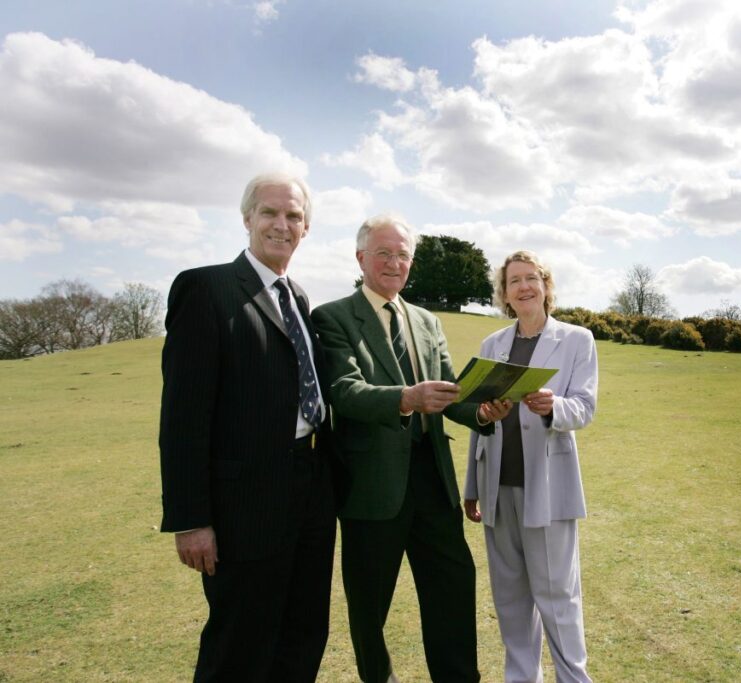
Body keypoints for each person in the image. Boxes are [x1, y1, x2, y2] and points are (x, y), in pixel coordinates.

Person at [311, 214, 505, 683]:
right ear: (361, 259)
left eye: (402, 255)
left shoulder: (426, 320)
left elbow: (447, 394)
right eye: (383, 253)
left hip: (432, 480)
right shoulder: (332, 317)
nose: (394, 263)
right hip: (371, 488)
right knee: (369, 602)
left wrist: (481, 412)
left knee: (454, 585)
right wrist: (405, 398)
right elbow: (344, 391)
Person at [159, 173, 337, 682]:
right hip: (244, 507)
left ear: (306, 228)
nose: (282, 225)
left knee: (303, 633)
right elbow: (183, 418)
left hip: (310, 491)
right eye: (270, 213)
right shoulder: (206, 288)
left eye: (294, 216)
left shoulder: (299, 298)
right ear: (247, 219)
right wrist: (192, 519)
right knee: (240, 643)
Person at [463, 250, 598, 683]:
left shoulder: (577, 339)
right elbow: (475, 418)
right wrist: (472, 486)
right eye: (513, 281)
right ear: (504, 293)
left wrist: (553, 406)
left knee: (557, 597)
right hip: (497, 488)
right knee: (510, 597)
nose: (523, 287)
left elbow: (584, 407)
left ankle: (573, 678)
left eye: (531, 278)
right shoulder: (492, 345)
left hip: (550, 489)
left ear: (545, 286)